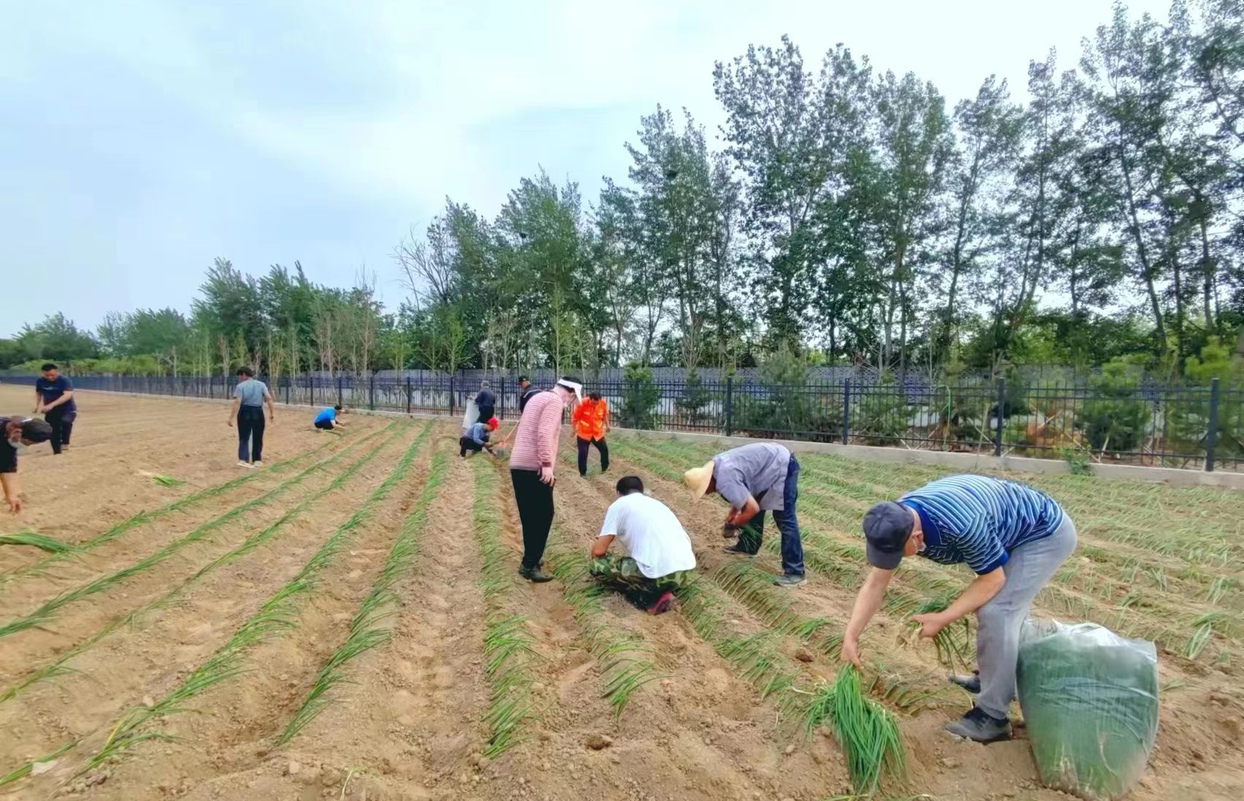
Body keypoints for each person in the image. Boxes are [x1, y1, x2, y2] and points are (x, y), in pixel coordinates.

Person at [843, 475, 1078, 743]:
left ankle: (992, 717)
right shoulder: (896, 519)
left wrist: (943, 618)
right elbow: (876, 583)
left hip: (1043, 533)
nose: (892, 561)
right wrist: (851, 635)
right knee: (1001, 609)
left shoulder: (962, 525)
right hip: (1005, 526)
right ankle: (995, 678)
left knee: (997, 611)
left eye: (897, 554)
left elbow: (993, 579)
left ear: (916, 537)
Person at [683, 442, 806, 587]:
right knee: (752, 507)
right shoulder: (719, 467)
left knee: (784, 519)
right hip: (769, 463)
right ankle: (748, 547)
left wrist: (734, 524)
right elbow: (742, 491)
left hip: (781, 464)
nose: (707, 493)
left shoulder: (724, 480)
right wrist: (733, 512)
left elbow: (751, 508)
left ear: (708, 481)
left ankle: (795, 572)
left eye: (704, 490)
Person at [509, 376, 582, 582]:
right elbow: (544, 434)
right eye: (572, 398)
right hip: (534, 466)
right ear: (568, 392)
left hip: (519, 463)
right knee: (544, 514)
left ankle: (531, 557)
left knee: (529, 515)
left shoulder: (537, 397)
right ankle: (529, 564)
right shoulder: (554, 402)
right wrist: (547, 465)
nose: (570, 403)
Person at [589, 475, 696, 615]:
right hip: (684, 571)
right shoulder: (657, 504)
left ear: (619, 494)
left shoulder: (619, 505)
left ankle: (647, 598)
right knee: (644, 563)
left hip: (658, 572)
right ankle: (662, 588)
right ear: (641, 491)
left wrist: (600, 541)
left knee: (598, 565)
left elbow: (598, 551)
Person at [1, 417, 53, 513]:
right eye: (25, 442)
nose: (25, 446)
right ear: (17, 431)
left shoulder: (9, 437)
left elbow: (6, 466)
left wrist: (11, 495)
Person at [228, 367, 275, 468]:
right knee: (258, 436)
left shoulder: (240, 386)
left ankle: (243, 459)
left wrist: (231, 417)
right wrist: (272, 413)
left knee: (244, 436)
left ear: (244, 374)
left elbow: (237, 402)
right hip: (258, 412)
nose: (240, 378)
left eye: (240, 376)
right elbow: (269, 398)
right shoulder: (261, 385)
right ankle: (257, 460)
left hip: (244, 412)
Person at [34, 363, 76, 455]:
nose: (50, 377)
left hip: (67, 408)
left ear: (57, 372)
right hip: (51, 410)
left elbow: (68, 395)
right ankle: (57, 451)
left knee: (66, 422)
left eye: (52, 375)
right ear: (42, 373)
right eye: (47, 375)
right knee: (53, 428)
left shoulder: (64, 380)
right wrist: (38, 405)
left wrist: (52, 405)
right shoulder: (40, 381)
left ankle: (65, 442)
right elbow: (39, 393)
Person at [572, 390, 609, 477]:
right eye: (593, 403)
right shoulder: (582, 403)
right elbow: (575, 417)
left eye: (597, 403)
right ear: (590, 399)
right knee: (583, 453)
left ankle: (604, 469)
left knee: (604, 450)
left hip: (597, 433)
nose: (595, 405)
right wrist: (573, 430)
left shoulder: (602, 403)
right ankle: (583, 473)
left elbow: (605, 415)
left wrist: (607, 426)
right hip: (583, 433)